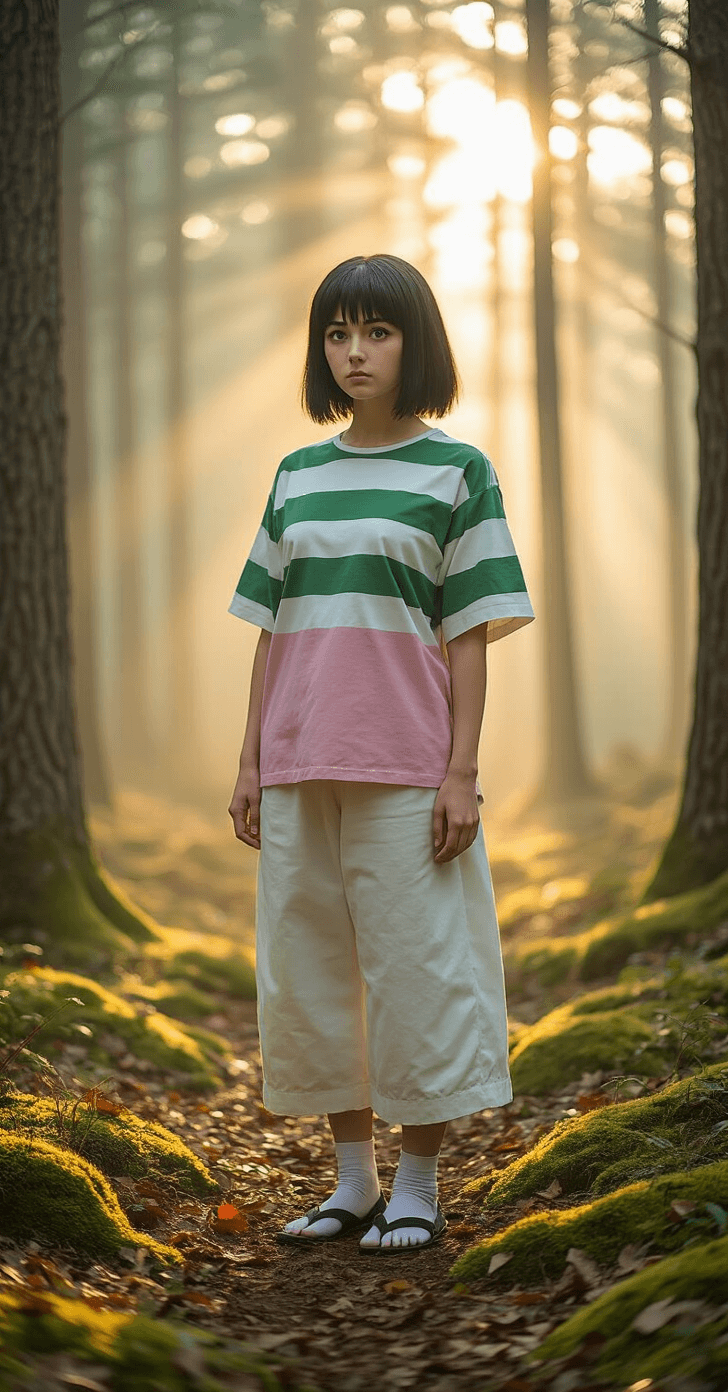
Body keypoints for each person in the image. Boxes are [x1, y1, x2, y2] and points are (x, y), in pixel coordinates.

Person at [227, 253, 535, 1253]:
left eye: (377, 332)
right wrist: (247, 763)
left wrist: (460, 771)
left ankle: (419, 1182)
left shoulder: (459, 471)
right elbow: (271, 629)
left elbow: (469, 632)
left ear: (415, 343)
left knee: (418, 971)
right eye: (336, 333)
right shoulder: (297, 476)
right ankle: (350, 1180)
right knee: (310, 973)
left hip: (408, 762)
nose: (354, 353)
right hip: (297, 758)